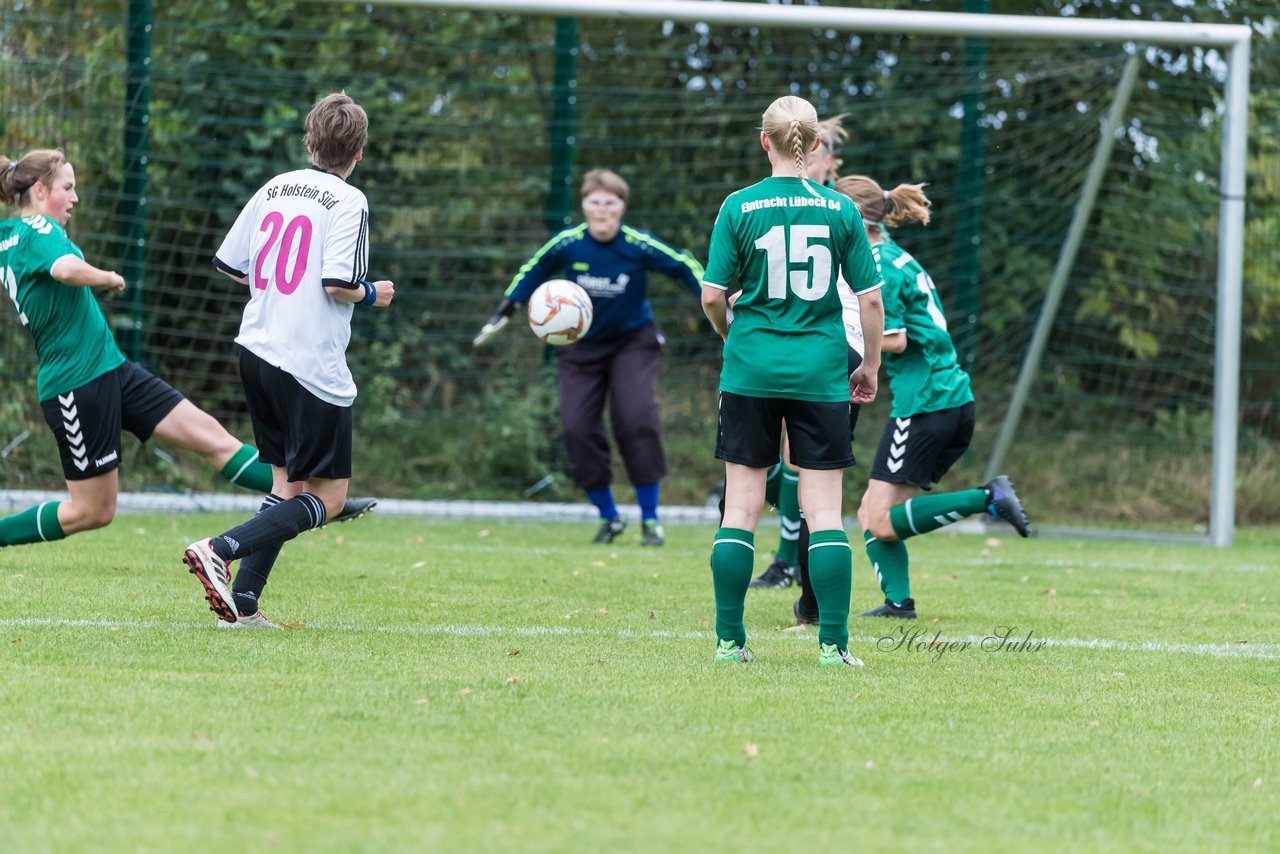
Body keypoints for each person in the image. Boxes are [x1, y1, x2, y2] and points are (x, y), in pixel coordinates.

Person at [0, 148, 376, 553]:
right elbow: (65, 269)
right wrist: (107, 276)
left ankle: (314, 500)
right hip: (76, 385)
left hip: (113, 370)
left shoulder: (11, 237)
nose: (74, 198)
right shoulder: (36, 228)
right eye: (67, 188)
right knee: (92, 511)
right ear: (39, 190)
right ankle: (315, 502)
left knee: (215, 440)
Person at [182, 92, 394, 628]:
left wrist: (280, 287)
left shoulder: (274, 186)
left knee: (286, 487)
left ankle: (244, 605)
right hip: (308, 362)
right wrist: (375, 294)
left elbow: (232, 266)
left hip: (255, 349)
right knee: (331, 496)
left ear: (309, 140)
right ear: (360, 152)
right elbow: (339, 283)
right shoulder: (350, 201)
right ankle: (220, 549)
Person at [702, 95, 884, 668]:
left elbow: (711, 295)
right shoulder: (840, 210)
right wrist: (869, 366)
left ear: (765, 141)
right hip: (819, 371)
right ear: (814, 146)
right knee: (825, 511)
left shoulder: (737, 205)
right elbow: (871, 300)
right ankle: (833, 646)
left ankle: (730, 643)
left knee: (742, 509)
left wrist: (731, 336)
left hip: (751, 368)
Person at [473, 169, 704, 547]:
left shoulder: (637, 245)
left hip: (632, 342)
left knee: (636, 419)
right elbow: (534, 269)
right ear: (584, 206)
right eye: (594, 202)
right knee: (577, 429)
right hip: (579, 348)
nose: (601, 210)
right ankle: (609, 517)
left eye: (609, 203)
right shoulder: (569, 244)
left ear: (621, 207)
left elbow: (682, 264)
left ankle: (651, 519)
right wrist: (505, 310)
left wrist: (716, 300)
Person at [836, 175, 1030, 620]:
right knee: (875, 512)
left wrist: (834, 336)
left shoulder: (878, 265)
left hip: (927, 404)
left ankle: (988, 498)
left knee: (879, 518)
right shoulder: (896, 258)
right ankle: (898, 603)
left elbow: (896, 338)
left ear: (851, 218)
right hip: (947, 398)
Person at [749, 112, 851, 591]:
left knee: (797, 462)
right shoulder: (773, 204)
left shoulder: (844, 204)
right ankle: (793, 563)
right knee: (785, 464)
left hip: (832, 343)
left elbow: (872, 287)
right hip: (801, 345)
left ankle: (792, 563)